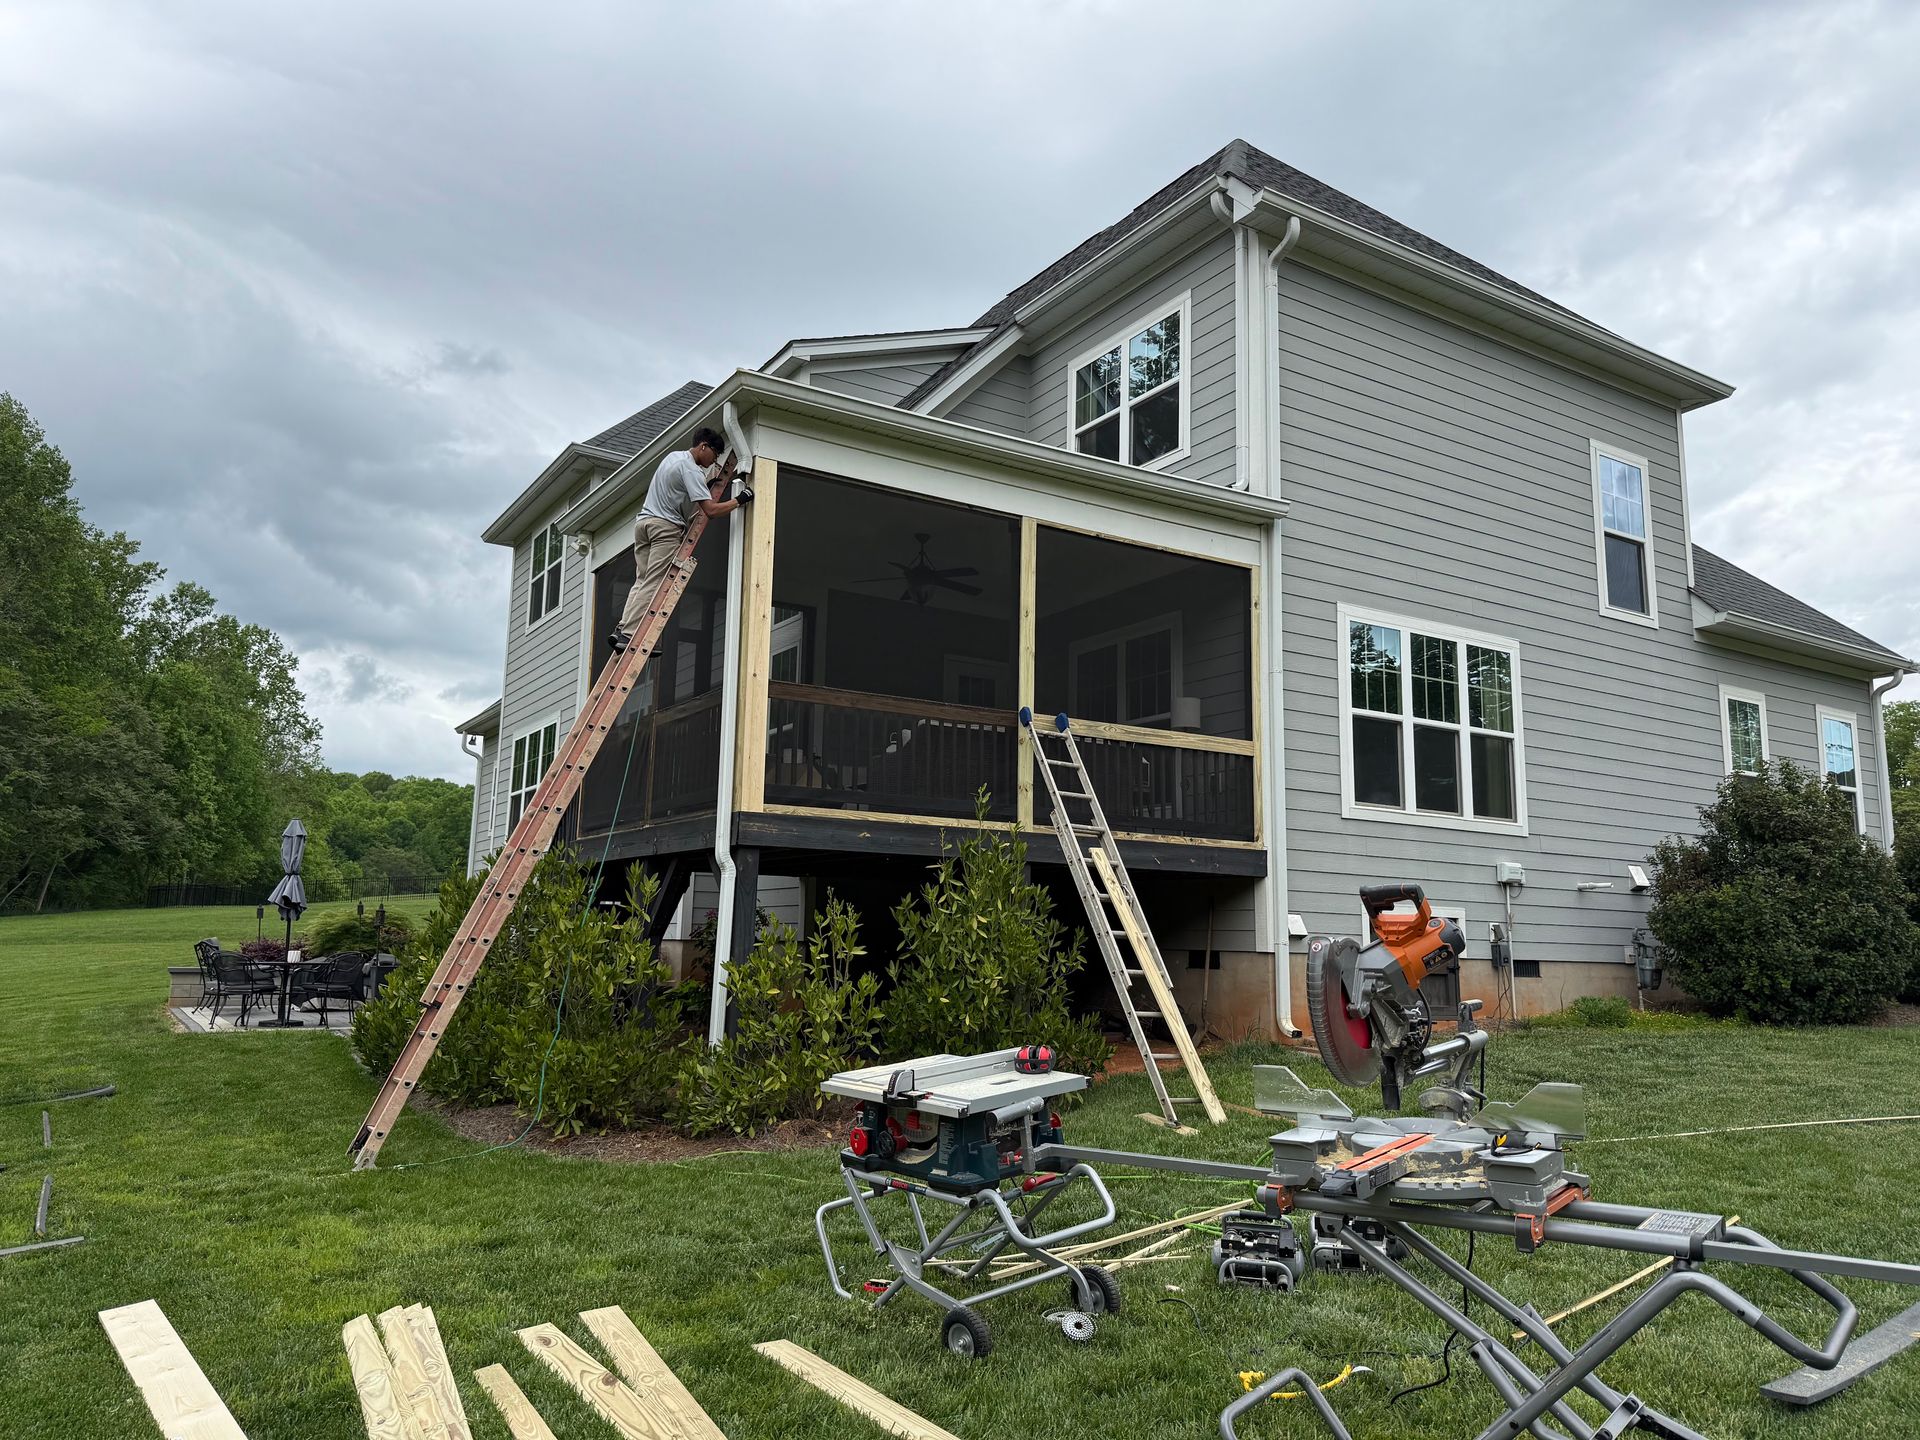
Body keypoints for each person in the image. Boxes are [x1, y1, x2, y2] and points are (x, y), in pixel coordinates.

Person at [607, 426, 752, 651]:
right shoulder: (690, 469)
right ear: (704, 446)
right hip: (664, 529)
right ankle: (629, 635)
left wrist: (706, 485)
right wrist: (739, 500)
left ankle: (622, 628)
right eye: (714, 455)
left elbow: (684, 492)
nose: (714, 461)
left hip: (644, 524)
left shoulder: (673, 457)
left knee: (642, 580)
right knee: (655, 583)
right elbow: (711, 511)